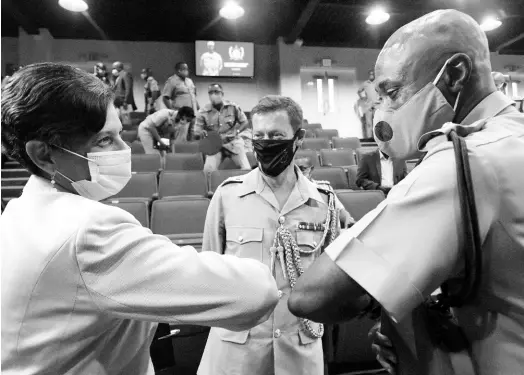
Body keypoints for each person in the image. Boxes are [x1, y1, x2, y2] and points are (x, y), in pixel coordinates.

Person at [0, 63, 279, 374]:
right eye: (104, 140)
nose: (125, 148)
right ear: (44, 154)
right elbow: (256, 293)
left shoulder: (18, 212)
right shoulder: (89, 229)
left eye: (120, 134)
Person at [288, 9, 524, 375]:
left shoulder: (463, 161)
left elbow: (310, 297)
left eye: (393, 92)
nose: (384, 111)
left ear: (456, 74)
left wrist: (385, 297)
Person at [198, 95, 344, 375]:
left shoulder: (323, 202)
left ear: (298, 138)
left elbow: (333, 278)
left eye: (276, 135)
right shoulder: (228, 196)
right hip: (237, 352)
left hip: (298, 350)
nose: (265, 143)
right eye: (259, 136)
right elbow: (209, 273)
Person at [193, 83, 251, 173]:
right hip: (214, 146)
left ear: (222, 94)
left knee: (246, 169)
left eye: (216, 92)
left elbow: (245, 122)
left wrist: (237, 131)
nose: (213, 95)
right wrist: (200, 132)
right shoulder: (202, 112)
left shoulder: (233, 107)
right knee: (207, 171)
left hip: (233, 143)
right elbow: (196, 131)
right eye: (210, 93)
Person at [295, 156, 355, 228]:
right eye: (295, 170)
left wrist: (348, 220)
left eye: (302, 169)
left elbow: (339, 210)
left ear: (311, 169)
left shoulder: (325, 189)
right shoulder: (288, 191)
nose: (299, 173)